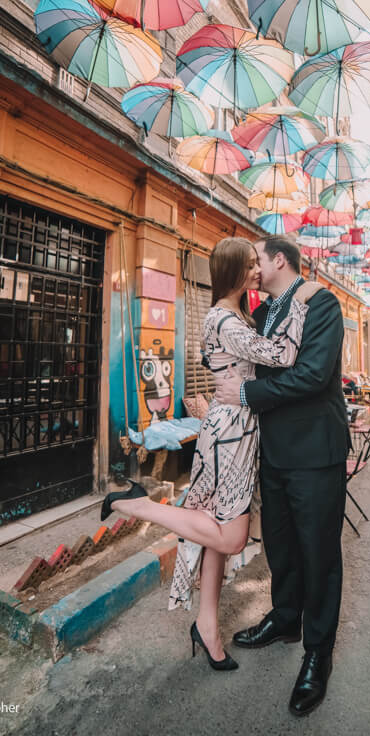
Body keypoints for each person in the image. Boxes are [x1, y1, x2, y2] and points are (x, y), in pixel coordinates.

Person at [100, 236, 321, 672]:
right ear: (237, 272)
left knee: (215, 534)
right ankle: (134, 503)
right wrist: (300, 298)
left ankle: (207, 626)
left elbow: (216, 358)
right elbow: (284, 353)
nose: (259, 270)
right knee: (231, 536)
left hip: (236, 427)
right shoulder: (224, 318)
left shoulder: (236, 315)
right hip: (230, 434)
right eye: (251, 265)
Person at [215, 235, 351, 717]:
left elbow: (314, 375)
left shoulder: (322, 303)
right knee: (280, 544)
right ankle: (286, 618)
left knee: (318, 552)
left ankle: (318, 652)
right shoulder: (263, 312)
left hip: (315, 451)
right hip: (272, 453)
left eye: (257, 258)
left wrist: (247, 393)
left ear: (278, 260)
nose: (252, 266)